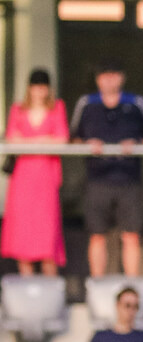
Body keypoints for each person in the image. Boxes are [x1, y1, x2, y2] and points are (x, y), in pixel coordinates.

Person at [69, 63, 143, 277]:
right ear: (97, 79)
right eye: (104, 75)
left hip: (129, 179)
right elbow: (73, 138)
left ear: (121, 77)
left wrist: (136, 144)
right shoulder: (86, 103)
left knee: (131, 235)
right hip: (97, 179)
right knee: (97, 235)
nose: (109, 79)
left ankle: (132, 286)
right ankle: (97, 285)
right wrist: (88, 144)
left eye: (113, 74)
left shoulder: (136, 103)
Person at [1, 69, 68, 275]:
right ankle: (27, 289)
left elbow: (61, 139)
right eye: (36, 87)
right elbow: (12, 139)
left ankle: (50, 289)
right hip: (22, 179)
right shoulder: (18, 109)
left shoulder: (57, 107)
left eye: (43, 87)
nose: (39, 91)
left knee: (48, 238)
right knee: (23, 237)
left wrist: (28, 141)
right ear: (29, 89)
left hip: (46, 178)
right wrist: (44, 140)